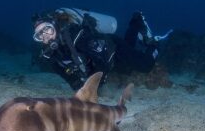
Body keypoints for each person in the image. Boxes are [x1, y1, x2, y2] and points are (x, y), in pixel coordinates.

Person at [32, 8, 173, 90]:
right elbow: (64, 73)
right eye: (40, 35)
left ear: (55, 26)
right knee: (126, 67)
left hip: (112, 48)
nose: (45, 36)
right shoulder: (50, 55)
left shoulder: (77, 37)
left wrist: (96, 83)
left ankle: (154, 45)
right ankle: (135, 24)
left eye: (47, 29)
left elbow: (103, 58)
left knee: (145, 65)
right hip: (102, 60)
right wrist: (77, 84)